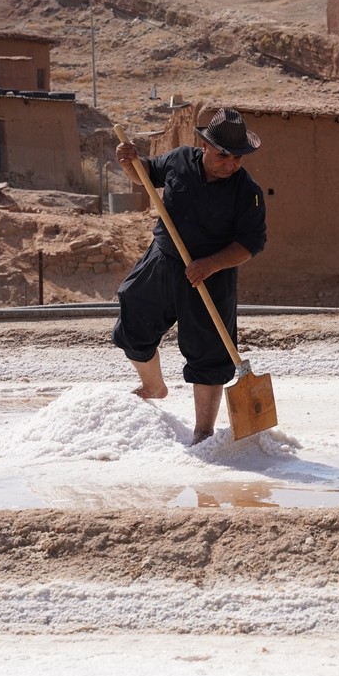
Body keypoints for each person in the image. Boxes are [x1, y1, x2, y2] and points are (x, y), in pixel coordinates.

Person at [112, 108, 267, 444]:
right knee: (133, 310)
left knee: (210, 352)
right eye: (224, 155)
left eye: (238, 158)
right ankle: (154, 386)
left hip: (211, 275)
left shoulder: (247, 191)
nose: (231, 164)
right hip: (164, 259)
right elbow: (145, 175)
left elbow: (251, 243)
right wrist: (128, 163)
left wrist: (210, 264)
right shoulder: (180, 160)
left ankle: (203, 432)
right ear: (204, 145)